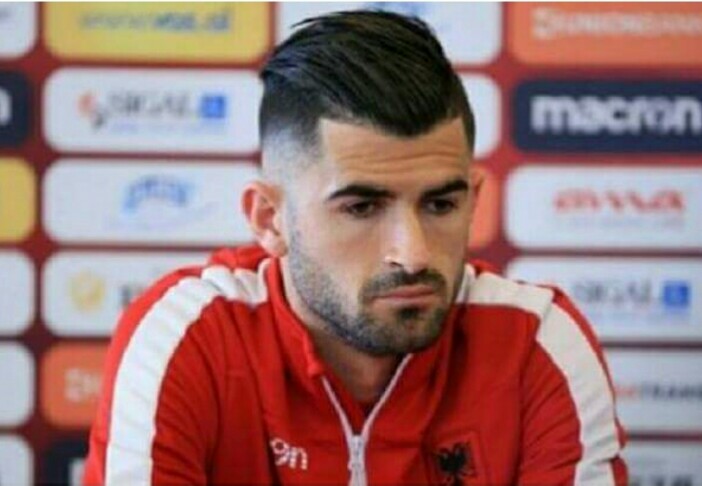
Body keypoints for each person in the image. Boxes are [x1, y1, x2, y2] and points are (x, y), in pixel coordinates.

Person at [84, 10, 627, 486]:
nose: (413, 255)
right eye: (362, 208)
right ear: (270, 220)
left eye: (440, 204)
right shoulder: (188, 337)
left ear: (474, 199)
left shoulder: (536, 341)